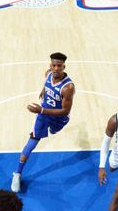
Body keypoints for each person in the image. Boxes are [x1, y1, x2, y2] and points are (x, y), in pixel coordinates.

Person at [11, 52, 75, 193]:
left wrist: (41, 110)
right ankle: (17, 173)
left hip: (59, 118)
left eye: (59, 66)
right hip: (43, 116)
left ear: (64, 66)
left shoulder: (68, 87)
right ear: (50, 65)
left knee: (54, 130)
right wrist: (43, 91)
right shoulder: (48, 74)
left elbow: (65, 110)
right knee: (32, 141)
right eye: (53, 65)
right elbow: (47, 84)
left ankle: (52, 129)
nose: (56, 68)